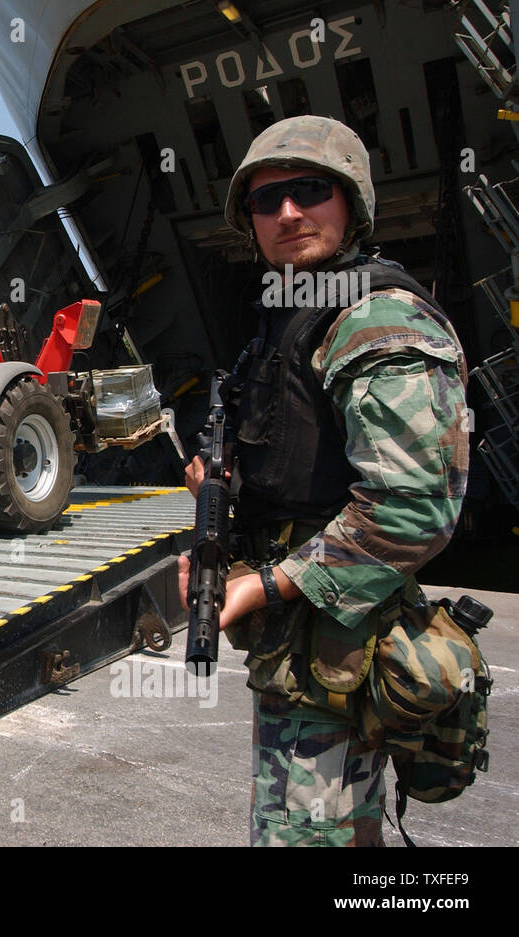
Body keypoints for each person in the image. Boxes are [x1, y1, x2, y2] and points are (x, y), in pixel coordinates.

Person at [180, 116, 468, 846]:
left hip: (340, 637)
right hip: (308, 647)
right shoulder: (287, 321)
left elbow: (413, 505)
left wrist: (267, 585)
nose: (287, 213)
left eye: (310, 190)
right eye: (265, 200)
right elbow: (301, 469)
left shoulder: (375, 319)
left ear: (352, 202)